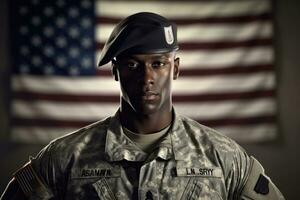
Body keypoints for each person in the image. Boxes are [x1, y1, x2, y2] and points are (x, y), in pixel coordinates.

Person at [1, 12, 285, 200]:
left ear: (175, 69)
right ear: (115, 71)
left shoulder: (224, 157)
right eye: (132, 64)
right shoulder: (65, 157)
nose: (146, 78)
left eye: (157, 64)